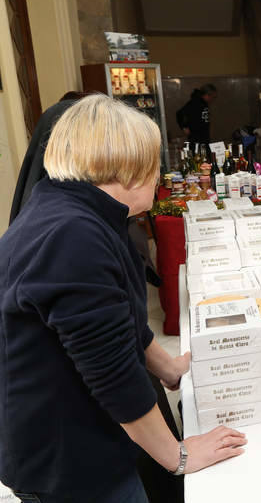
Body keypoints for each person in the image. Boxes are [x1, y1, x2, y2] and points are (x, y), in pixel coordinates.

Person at [0, 95, 246, 502]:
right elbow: (113, 375)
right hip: (70, 460)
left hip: (73, 437)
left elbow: (118, 319)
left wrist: (168, 366)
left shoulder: (77, 209)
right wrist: (179, 456)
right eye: (153, 163)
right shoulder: (73, 237)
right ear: (128, 167)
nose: (159, 174)